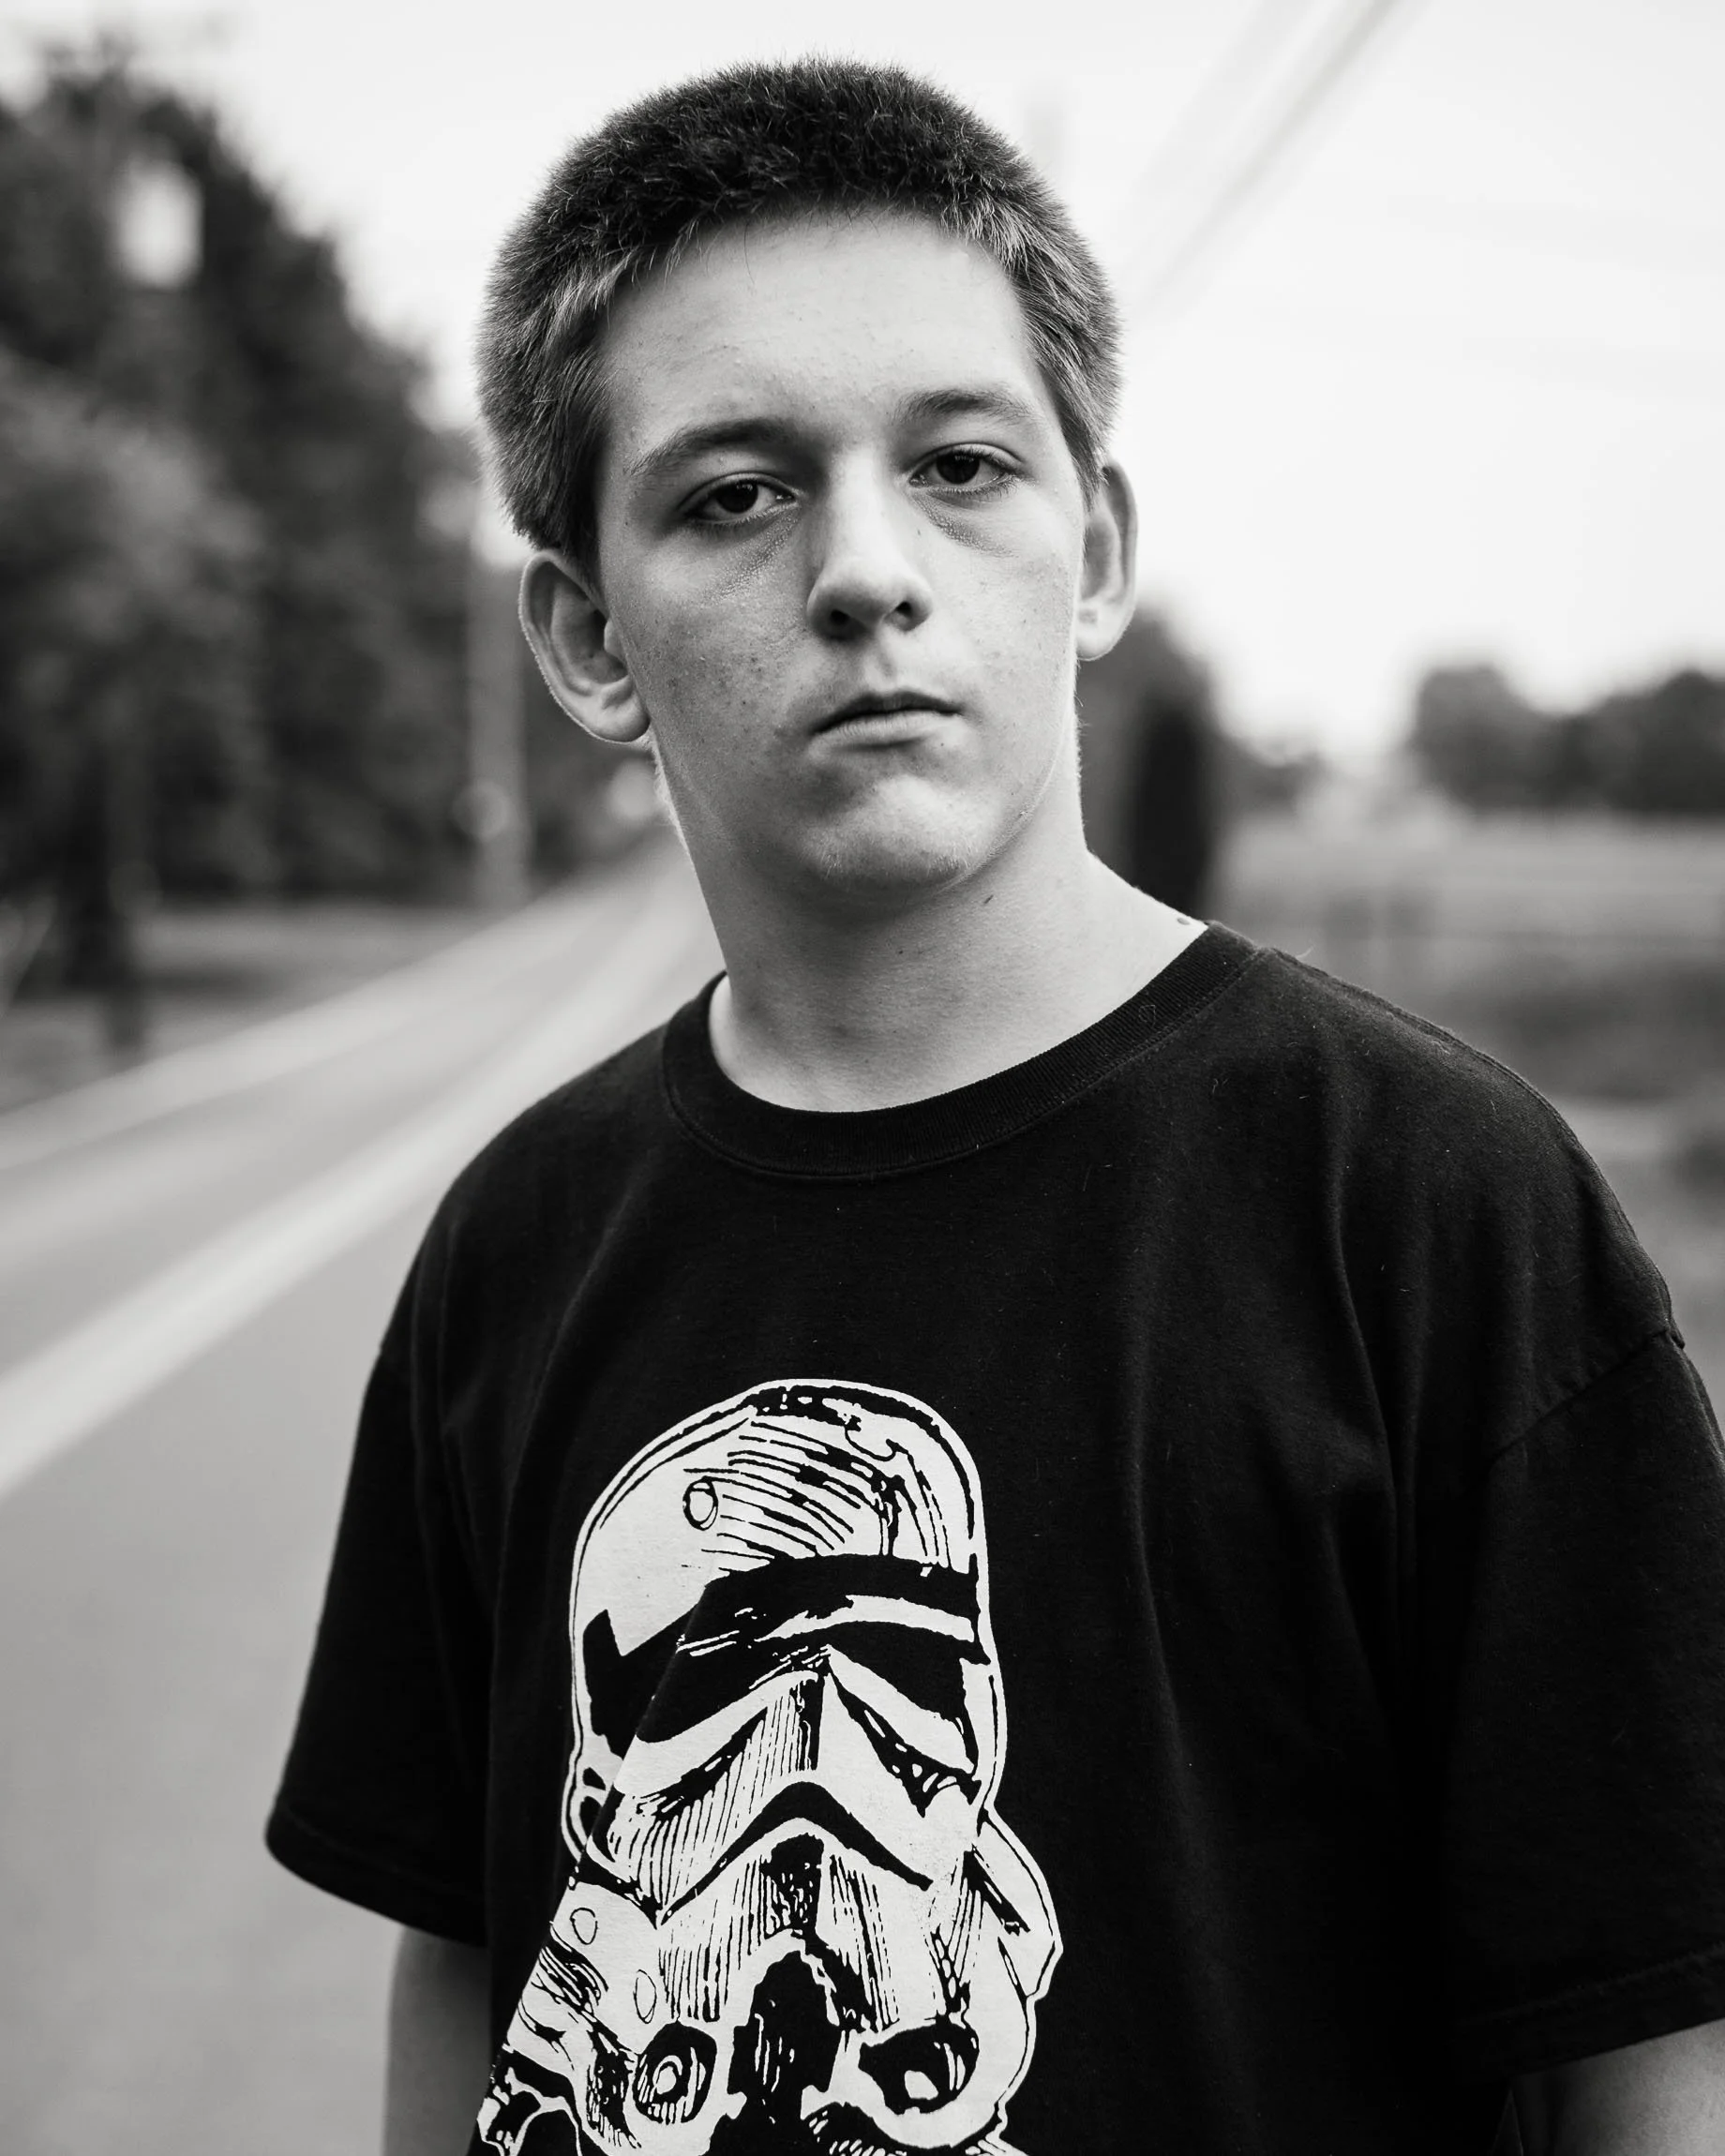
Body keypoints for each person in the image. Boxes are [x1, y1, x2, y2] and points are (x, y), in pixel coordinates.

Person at [266, 57, 1725, 2156]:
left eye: (956, 464)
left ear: (1095, 544)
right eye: (733, 493)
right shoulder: (519, 1241)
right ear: (588, 636)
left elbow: (1649, 2036)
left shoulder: (1427, 1215)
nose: (865, 570)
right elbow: (470, 1953)